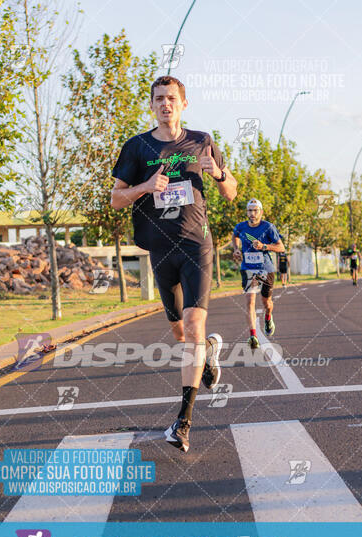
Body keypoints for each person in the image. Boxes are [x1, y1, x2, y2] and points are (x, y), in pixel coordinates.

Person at [111, 75, 238, 452]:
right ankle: (209, 355)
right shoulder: (136, 147)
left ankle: (183, 422)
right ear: (151, 105)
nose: (165, 104)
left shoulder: (202, 141)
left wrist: (216, 173)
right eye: (159, 99)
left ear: (184, 104)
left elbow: (231, 192)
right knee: (180, 333)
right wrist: (145, 188)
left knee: (193, 325)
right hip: (159, 248)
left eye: (172, 98)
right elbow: (117, 199)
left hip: (196, 244)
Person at [232, 199, 285, 349]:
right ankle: (253, 335)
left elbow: (281, 247)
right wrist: (236, 249)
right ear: (247, 212)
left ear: (261, 212)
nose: (252, 213)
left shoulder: (268, 227)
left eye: (255, 210)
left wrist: (264, 246)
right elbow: (235, 236)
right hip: (248, 268)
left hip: (265, 269)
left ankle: (268, 317)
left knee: (266, 302)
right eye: (250, 210)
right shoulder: (240, 227)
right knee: (250, 302)